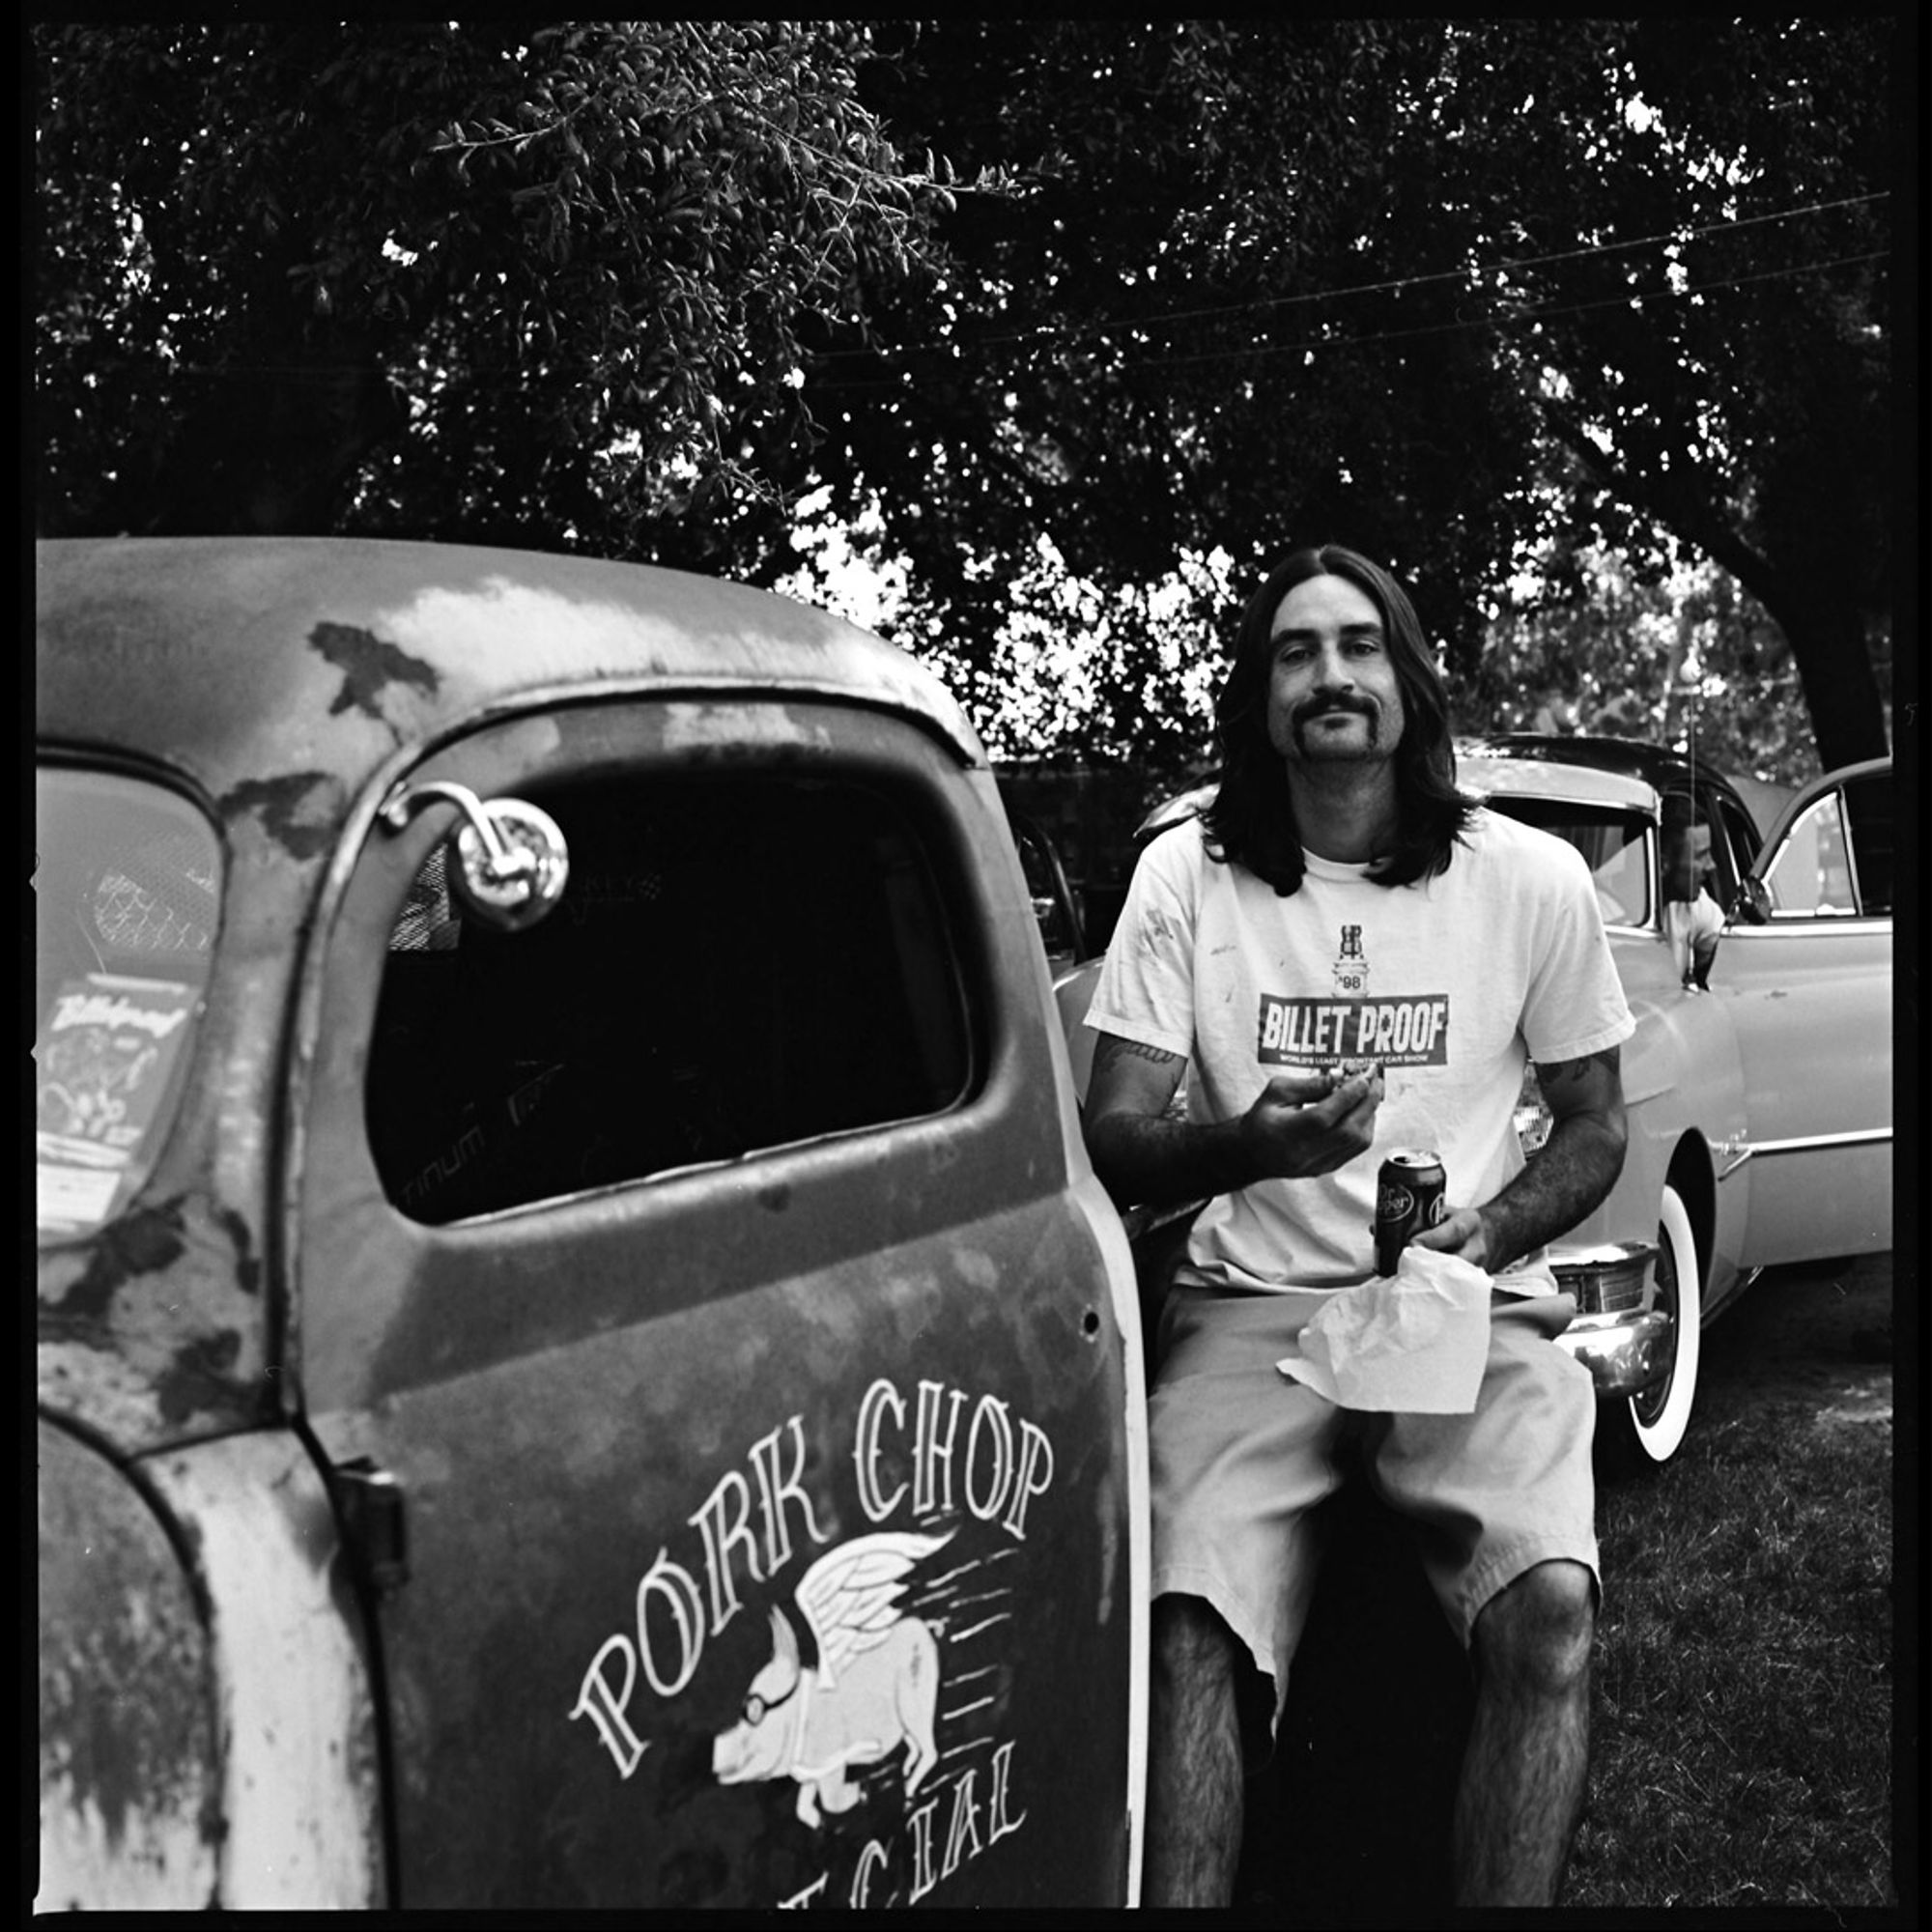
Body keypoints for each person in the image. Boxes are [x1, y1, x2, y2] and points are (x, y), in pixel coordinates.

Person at [1082, 544, 1634, 1908]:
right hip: (1250, 1307)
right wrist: (1248, 1145)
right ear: (1262, 701)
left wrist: (1489, 1233)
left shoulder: (1529, 880)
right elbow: (1116, 1131)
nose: (1330, 674)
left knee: (1551, 1607)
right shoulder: (1186, 876)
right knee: (1185, 1624)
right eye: (1294, 651)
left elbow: (1598, 1124)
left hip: (1457, 1303)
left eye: (1359, 645)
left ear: (1409, 680)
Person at [1661, 799, 1724, 990]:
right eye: (1700, 855)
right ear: (1664, 864)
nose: (1711, 865)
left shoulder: (1695, 906)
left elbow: (1723, 950)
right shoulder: (1608, 914)